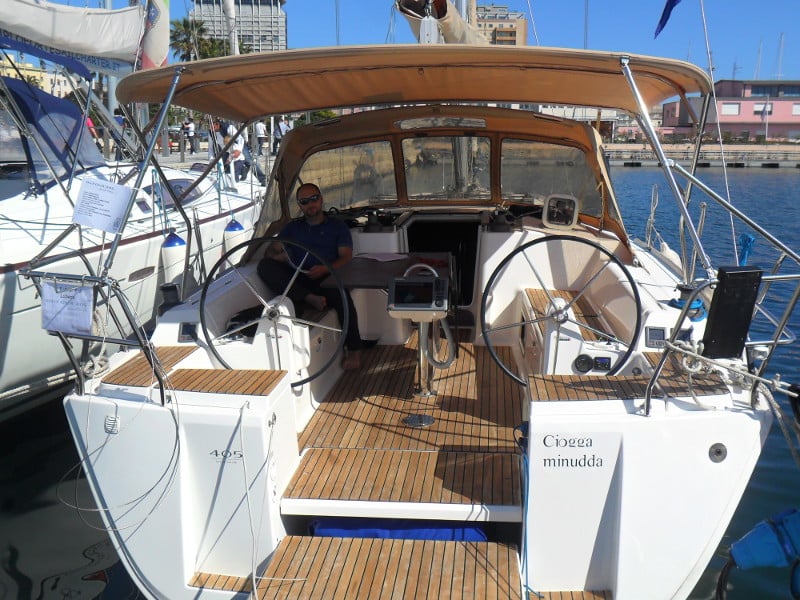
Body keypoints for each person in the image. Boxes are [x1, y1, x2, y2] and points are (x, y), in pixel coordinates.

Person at [257, 183, 363, 369]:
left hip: (327, 277)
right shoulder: (292, 228)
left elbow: (345, 256)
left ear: (321, 199)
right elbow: (270, 252)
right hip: (299, 276)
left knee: (344, 299)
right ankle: (308, 298)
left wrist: (325, 269)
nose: (310, 204)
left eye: (313, 199)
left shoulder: (337, 227)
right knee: (265, 266)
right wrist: (281, 256)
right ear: (299, 205)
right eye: (304, 201)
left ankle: (354, 351)